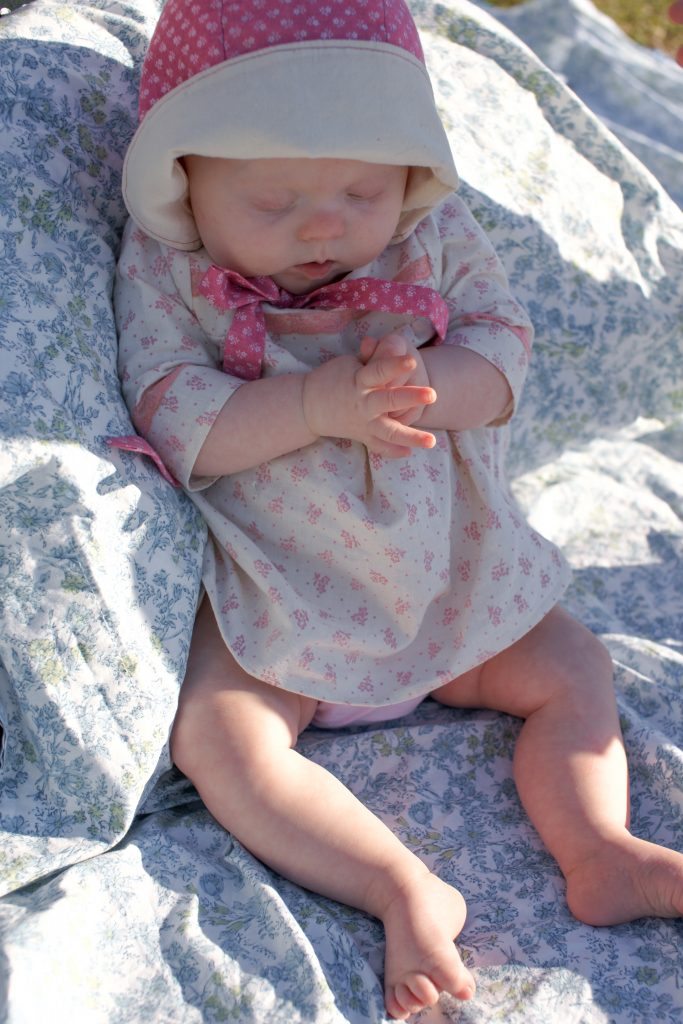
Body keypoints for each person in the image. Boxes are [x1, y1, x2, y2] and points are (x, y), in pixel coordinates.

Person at [111, 0, 683, 1017]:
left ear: (409, 172)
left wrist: (434, 382)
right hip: (281, 597)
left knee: (570, 666)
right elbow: (172, 413)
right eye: (273, 199)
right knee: (219, 738)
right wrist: (313, 404)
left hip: (451, 584)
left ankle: (599, 848)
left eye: (359, 190)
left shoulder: (429, 236)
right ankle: (399, 886)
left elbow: (503, 350)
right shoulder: (174, 271)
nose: (323, 224)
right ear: (184, 176)